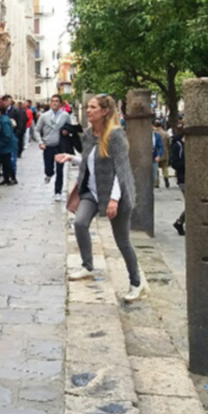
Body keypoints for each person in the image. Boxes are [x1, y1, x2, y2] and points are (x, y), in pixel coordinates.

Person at [56, 94, 144, 303]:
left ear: (104, 111)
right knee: (79, 223)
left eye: (93, 107)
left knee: (122, 241)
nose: (88, 110)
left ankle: (136, 282)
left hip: (116, 193)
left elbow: (121, 170)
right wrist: (72, 158)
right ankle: (87, 266)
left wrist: (114, 200)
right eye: (88, 106)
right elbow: (91, 162)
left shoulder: (116, 135)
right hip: (92, 192)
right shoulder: (88, 134)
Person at [36, 94, 71, 201]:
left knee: (60, 170)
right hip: (48, 145)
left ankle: (58, 192)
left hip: (60, 146)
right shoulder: (44, 116)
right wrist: (40, 142)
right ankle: (49, 174)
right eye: (52, 101)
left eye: (56, 101)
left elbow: (70, 128)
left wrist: (67, 131)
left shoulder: (65, 115)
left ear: (60, 103)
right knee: (49, 168)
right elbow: (37, 130)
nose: (54, 103)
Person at [0, 99, 18, 185]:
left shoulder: (3, 120)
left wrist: (0, 144)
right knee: (4, 162)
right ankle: (6, 178)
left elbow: (7, 134)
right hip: (5, 144)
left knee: (7, 162)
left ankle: (12, 178)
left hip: (7, 145)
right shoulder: (3, 118)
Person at [170, 126, 186, 235]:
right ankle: (179, 222)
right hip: (183, 178)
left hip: (190, 177)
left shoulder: (188, 145)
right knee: (192, 205)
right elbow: (174, 163)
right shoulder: (178, 146)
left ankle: (180, 222)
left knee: (193, 204)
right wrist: (187, 164)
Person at [155, 120, 171, 188]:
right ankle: (166, 178)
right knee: (165, 168)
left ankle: (157, 183)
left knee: (156, 169)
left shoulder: (153, 134)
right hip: (164, 153)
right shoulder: (165, 134)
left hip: (156, 154)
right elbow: (169, 144)